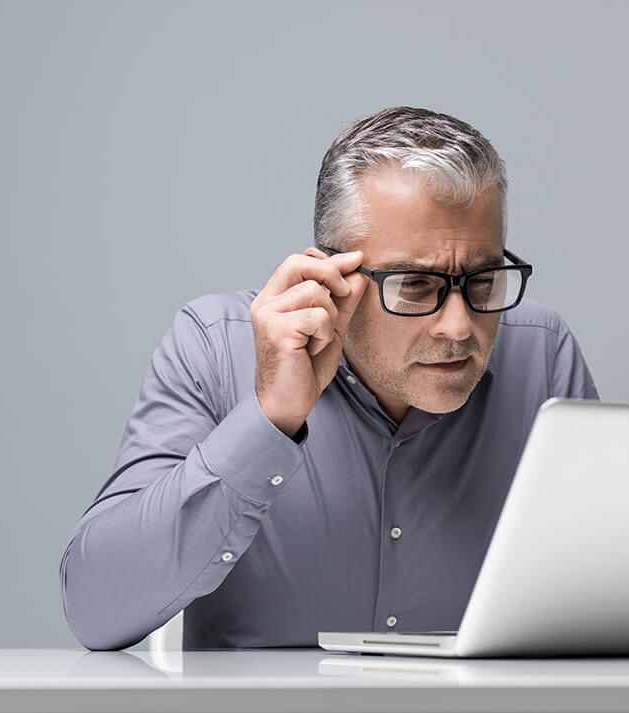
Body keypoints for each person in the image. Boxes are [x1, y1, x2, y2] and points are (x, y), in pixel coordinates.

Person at [60, 106, 599, 651]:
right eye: (414, 283)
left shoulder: (544, 354)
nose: (459, 326)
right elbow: (94, 607)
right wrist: (269, 419)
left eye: (483, 279)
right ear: (331, 277)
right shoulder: (213, 346)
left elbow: (610, 596)